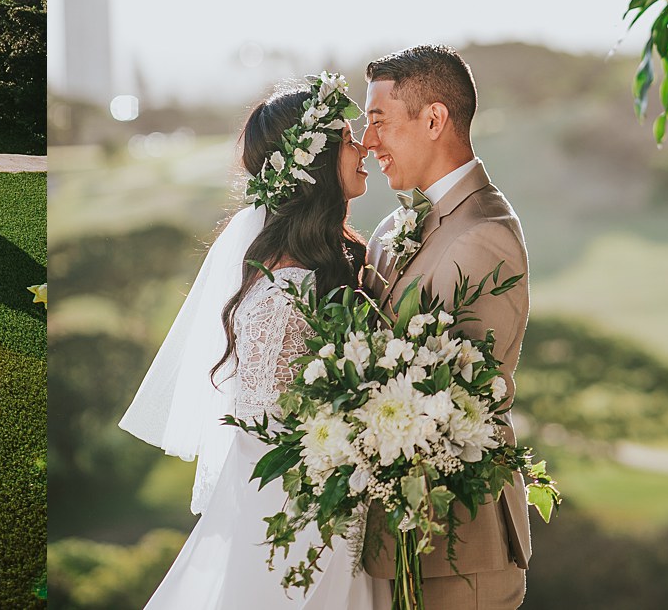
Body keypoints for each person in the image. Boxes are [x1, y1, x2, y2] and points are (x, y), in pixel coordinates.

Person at [120, 77, 389, 609]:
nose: (364, 148)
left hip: (339, 516)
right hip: (302, 534)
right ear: (313, 162)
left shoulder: (328, 264)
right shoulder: (282, 297)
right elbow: (266, 438)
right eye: (347, 138)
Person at [358, 45, 531, 609]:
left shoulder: (486, 233)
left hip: (461, 550)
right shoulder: (396, 225)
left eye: (379, 121)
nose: (368, 141)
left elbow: (462, 402)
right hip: (399, 544)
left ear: (434, 120)